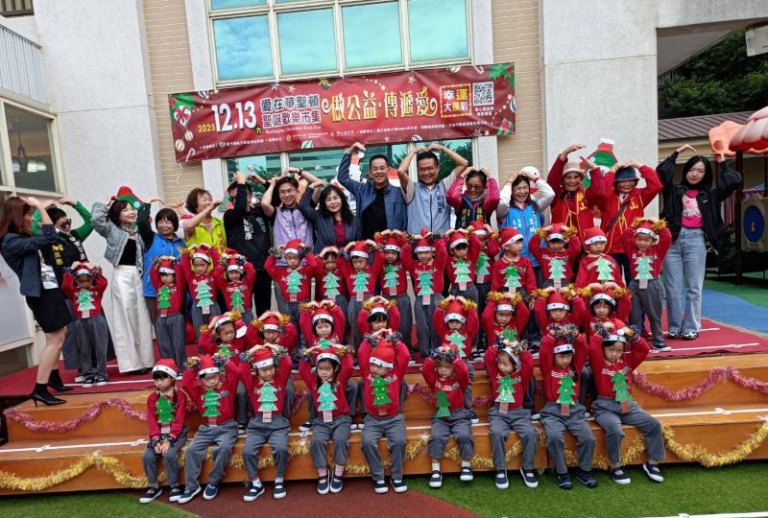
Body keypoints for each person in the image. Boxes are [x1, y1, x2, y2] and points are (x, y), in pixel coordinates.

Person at [658, 146, 741, 340]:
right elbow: (662, 171)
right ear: (686, 170)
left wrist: (721, 162)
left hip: (696, 240)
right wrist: (676, 153)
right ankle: (674, 326)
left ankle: (691, 327)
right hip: (673, 241)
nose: (695, 174)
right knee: (672, 287)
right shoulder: (675, 191)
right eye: (692, 169)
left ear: (706, 174)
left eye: (700, 171)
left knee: (694, 287)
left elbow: (734, 180)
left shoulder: (710, 195)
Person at [0, 197, 73, 405]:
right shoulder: (10, 241)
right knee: (54, 340)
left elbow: (45, 238)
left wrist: (42, 211)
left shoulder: (23, 236)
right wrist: (41, 206)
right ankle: (40, 389)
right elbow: (49, 237)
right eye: (29, 214)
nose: (32, 219)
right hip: (41, 295)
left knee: (59, 335)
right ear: (17, 217)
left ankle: (54, 378)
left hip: (50, 289)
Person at [588, 327, 665, 485]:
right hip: (604, 407)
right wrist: (602, 331)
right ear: (603, 349)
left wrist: (632, 334)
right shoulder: (598, 363)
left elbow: (643, 349)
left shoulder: (628, 361)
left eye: (619, 350)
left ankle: (652, 463)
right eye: (610, 350)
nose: (615, 354)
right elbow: (593, 345)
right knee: (615, 430)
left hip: (627, 404)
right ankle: (615, 466)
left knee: (653, 425)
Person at [92, 195, 155, 375]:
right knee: (125, 317)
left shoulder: (138, 232)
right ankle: (131, 364)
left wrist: (147, 205)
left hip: (139, 275)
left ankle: (146, 360)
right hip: (122, 275)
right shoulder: (111, 229)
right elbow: (96, 220)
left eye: (132, 209)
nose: (131, 212)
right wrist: (105, 203)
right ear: (117, 214)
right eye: (126, 210)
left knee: (142, 317)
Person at [35, 198, 95, 377]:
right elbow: (33, 227)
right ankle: (80, 368)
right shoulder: (47, 240)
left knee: (90, 327)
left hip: (84, 290)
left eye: (69, 222)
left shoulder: (74, 236)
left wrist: (76, 204)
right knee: (72, 332)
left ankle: (94, 364)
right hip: (63, 292)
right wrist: (41, 208)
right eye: (63, 224)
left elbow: (91, 222)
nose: (67, 226)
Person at [539, 331, 598, 490]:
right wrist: (551, 336)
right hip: (553, 412)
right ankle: (562, 472)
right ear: (554, 356)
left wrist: (576, 335)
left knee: (588, 439)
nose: (565, 360)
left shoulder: (575, 368)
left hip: (575, 411)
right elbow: (544, 352)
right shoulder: (548, 368)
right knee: (555, 437)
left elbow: (583, 348)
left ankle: (584, 471)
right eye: (561, 357)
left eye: (568, 356)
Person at [177, 355, 239, 504]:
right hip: (205, 429)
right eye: (207, 379)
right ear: (201, 379)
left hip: (227, 427)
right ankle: (192, 486)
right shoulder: (198, 391)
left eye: (215, 377)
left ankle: (214, 481)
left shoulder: (227, 386)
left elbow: (236, 373)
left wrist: (225, 361)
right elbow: (186, 383)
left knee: (224, 448)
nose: (212, 381)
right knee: (192, 451)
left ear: (219, 375)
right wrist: (192, 367)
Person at [592, 159, 663, 284]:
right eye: (623, 181)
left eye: (631, 180)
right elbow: (602, 190)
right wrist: (613, 169)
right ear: (616, 182)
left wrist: (639, 165)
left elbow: (656, 185)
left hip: (633, 248)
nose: (627, 184)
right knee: (611, 283)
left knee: (635, 282)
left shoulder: (640, 195)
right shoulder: (608, 197)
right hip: (610, 249)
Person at [298, 342, 355, 495]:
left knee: (340, 440)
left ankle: (338, 473)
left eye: (327, 369)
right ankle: (323, 474)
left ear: (335, 369)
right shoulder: (313, 381)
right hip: (321, 422)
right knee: (317, 442)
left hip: (341, 420)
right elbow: (302, 369)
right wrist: (309, 353)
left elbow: (349, 365)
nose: (323, 372)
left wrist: (339, 348)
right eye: (320, 369)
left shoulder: (340, 379)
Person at [359, 333, 411, 494]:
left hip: (394, 419)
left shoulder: (396, 374)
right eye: (373, 364)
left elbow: (405, 356)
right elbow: (361, 353)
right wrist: (371, 339)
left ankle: (397, 477)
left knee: (399, 442)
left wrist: (395, 340)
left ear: (389, 367)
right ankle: (378, 477)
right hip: (373, 419)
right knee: (367, 443)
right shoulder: (367, 373)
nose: (374, 368)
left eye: (379, 366)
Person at [484, 337, 538, 490]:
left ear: (515, 364)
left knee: (530, 434)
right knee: (497, 433)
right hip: (498, 413)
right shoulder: (496, 373)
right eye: (500, 363)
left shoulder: (521, 376)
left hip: (518, 413)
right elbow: (488, 357)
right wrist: (498, 345)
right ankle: (500, 469)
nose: (501, 366)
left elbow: (529, 363)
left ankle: (527, 468)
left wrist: (518, 348)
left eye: (505, 364)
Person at [241, 344, 293, 501]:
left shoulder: (280, 379)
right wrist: (252, 350)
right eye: (264, 370)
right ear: (257, 370)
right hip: (257, 425)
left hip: (278, 424)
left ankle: (279, 479)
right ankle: (256, 483)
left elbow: (287, 363)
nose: (268, 373)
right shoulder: (252, 382)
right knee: (247, 452)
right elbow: (242, 368)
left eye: (271, 369)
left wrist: (272, 346)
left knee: (281, 449)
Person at [423, 344, 473, 488]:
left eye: (447, 366)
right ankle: (436, 470)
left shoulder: (460, 380)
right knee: (436, 437)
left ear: (453, 367)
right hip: (441, 417)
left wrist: (455, 358)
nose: (443, 370)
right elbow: (426, 370)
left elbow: (464, 371)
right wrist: (433, 356)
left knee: (464, 435)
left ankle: (466, 465)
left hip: (460, 415)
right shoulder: (434, 380)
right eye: (440, 366)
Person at [223, 171, 273, 316]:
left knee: (264, 310)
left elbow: (274, 197)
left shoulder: (260, 211)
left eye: (238, 196)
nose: (235, 200)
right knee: (242, 311)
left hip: (262, 269)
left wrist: (263, 182)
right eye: (232, 198)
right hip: (241, 273)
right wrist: (241, 181)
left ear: (250, 196)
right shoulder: (230, 216)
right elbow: (239, 207)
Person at [139, 359, 188, 504]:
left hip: (176, 433)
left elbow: (179, 420)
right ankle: (153, 486)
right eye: (156, 379)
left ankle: (175, 486)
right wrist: (155, 440)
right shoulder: (152, 398)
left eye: (162, 379)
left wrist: (170, 439)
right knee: (147, 456)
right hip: (159, 434)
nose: (159, 383)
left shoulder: (180, 396)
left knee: (169, 454)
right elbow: (152, 421)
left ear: (172, 378)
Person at [621, 218, 673, 352]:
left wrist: (657, 223)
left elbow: (667, 237)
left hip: (652, 285)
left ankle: (658, 342)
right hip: (634, 285)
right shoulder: (631, 250)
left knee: (654, 315)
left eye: (646, 240)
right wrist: (635, 224)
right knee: (634, 316)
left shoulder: (658, 250)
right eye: (639, 239)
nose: (642, 243)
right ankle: (636, 343)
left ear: (653, 241)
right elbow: (625, 236)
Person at [337, 142, 408, 238]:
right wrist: (349, 152)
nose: (379, 171)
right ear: (370, 173)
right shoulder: (361, 190)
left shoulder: (399, 193)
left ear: (388, 171)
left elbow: (405, 221)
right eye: (375, 169)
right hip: (367, 244)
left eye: (382, 168)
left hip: (392, 244)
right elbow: (342, 178)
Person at [399, 143, 469, 234]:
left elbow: (464, 163)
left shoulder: (445, 185)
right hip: (417, 240)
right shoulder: (412, 189)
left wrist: (443, 148)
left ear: (438, 168)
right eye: (422, 169)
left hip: (442, 240)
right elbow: (401, 171)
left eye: (430, 168)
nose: (426, 172)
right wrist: (413, 151)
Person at [61, 263, 109, 387]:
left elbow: (103, 283)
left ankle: (101, 374)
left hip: (96, 320)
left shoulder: (96, 290)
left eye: (87, 280)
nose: (85, 283)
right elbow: (65, 286)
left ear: (92, 279)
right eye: (81, 281)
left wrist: (93, 270)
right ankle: (88, 375)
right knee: (84, 350)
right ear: (76, 280)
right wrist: (70, 271)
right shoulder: (74, 292)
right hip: (80, 322)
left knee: (100, 348)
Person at [401, 232, 447, 358]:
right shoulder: (414, 265)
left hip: (436, 298)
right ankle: (425, 353)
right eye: (420, 253)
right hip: (420, 299)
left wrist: (436, 239)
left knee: (436, 325)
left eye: (426, 252)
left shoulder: (438, 264)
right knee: (422, 326)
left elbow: (443, 252)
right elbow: (404, 256)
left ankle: (438, 350)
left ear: (433, 252)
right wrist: (410, 241)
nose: (423, 256)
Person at [547, 144, 604, 240]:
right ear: (562, 180)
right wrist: (564, 154)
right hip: (561, 244)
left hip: (584, 244)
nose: (572, 181)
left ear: (581, 179)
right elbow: (552, 180)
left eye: (576, 177)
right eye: (568, 177)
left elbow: (599, 192)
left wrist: (596, 170)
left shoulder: (586, 194)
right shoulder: (557, 196)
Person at [139, 207, 185, 324]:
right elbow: (142, 222)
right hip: (153, 292)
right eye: (160, 222)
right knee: (159, 325)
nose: (164, 225)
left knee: (177, 325)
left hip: (176, 292)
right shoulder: (150, 238)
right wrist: (147, 204)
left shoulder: (181, 243)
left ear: (174, 224)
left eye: (168, 222)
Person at [337, 240, 382, 349]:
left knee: (370, 326)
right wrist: (347, 247)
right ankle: (358, 351)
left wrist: (374, 244)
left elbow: (380, 257)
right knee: (355, 328)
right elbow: (339, 261)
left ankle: (371, 349)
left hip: (369, 301)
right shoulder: (349, 272)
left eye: (361, 261)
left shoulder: (372, 271)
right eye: (355, 262)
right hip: (353, 302)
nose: (357, 264)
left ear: (367, 260)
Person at [373, 231, 412, 350]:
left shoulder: (402, 262)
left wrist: (400, 235)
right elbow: (378, 251)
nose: (390, 256)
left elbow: (406, 249)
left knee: (405, 325)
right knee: (389, 325)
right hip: (387, 299)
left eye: (393, 253)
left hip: (402, 298)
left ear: (398, 253)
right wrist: (381, 237)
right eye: (387, 253)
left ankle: (406, 348)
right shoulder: (381, 263)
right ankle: (389, 347)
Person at [150, 256, 188, 372]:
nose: (164, 278)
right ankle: (169, 367)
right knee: (164, 344)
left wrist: (174, 263)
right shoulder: (159, 286)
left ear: (174, 275)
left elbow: (180, 274)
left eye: (167, 275)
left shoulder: (178, 286)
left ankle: (181, 368)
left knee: (178, 344)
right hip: (161, 319)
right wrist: (156, 264)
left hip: (175, 317)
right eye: (162, 275)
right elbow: (153, 274)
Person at [299, 180, 360, 252]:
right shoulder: (319, 217)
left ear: (342, 199)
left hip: (347, 258)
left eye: (335, 198)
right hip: (323, 258)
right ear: (324, 203)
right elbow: (303, 206)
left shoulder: (353, 220)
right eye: (328, 200)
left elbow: (357, 242)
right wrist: (312, 186)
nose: (333, 202)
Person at [180, 244, 221, 341]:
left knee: (215, 329)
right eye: (196, 265)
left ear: (208, 264)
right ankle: (202, 350)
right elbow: (184, 264)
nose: (199, 268)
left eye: (202, 265)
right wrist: (187, 251)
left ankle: (216, 350)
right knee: (200, 332)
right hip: (197, 307)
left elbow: (218, 262)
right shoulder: (191, 277)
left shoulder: (213, 275)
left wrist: (210, 249)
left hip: (212, 305)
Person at [529, 224, 581, 289]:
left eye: (559, 243)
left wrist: (570, 233)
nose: (556, 246)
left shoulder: (569, 253)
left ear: (565, 242)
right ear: (547, 242)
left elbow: (577, 248)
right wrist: (541, 232)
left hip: (565, 284)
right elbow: (532, 246)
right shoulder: (542, 254)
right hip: (548, 285)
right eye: (553, 243)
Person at [214, 250, 257, 324]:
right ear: (227, 274)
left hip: (246, 313)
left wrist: (243, 262)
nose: (234, 276)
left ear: (240, 272)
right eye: (231, 273)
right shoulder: (224, 285)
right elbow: (216, 275)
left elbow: (252, 271)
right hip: (231, 314)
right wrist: (222, 265)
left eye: (236, 272)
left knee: (248, 330)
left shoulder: (246, 282)